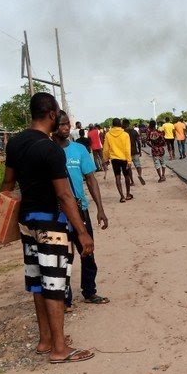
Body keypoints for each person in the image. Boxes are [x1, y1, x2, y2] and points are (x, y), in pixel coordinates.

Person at [0, 92, 95, 364]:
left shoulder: (15, 143)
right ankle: (59, 350)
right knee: (54, 284)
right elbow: (65, 196)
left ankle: (46, 341)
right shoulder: (51, 149)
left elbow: (7, 185)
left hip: (27, 223)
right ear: (52, 114)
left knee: (38, 282)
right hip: (50, 224)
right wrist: (82, 232)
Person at [53, 113, 110, 307]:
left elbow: (91, 180)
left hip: (80, 210)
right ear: (53, 127)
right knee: (62, 257)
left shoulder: (79, 150)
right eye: (62, 125)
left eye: (67, 124)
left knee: (87, 252)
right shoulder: (48, 151)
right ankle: (64, 300)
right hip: (58, 213)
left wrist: (100, 209)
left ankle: (89, 291)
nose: (66, 128)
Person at [103, 118, 133, 202]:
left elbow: (105, 149)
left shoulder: (108, 135)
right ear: (120, 124)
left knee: (117, 176)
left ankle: (122, 196)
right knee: (126, 176)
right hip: (124, 158)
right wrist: (129, 161)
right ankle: (128, 194)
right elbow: (127, 149)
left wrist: (106, 159)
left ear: (112, 125)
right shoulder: (125, 134)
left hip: (114, 158)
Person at [123, 118, 146, 186]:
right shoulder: (134, 131)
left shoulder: (123, 133)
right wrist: (140, 151)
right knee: (138, 165)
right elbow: (138, 142)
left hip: (126, 153)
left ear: (123, 124)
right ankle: (139, 175)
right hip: (134, 151)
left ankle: (132, 181)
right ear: (129, 124)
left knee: (128, 168)